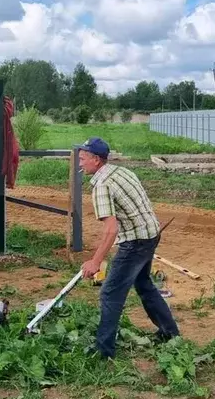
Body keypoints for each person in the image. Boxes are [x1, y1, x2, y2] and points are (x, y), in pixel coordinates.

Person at [77, 137, 180, 358]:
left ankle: (104, 352)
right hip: (151, 234)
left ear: (96, 160)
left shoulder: (101, 185)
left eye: (83, 159)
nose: (80, 164)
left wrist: (95, 262)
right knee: (144, 285)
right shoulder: (122, 172)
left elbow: (111, 229)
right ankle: (170, 334)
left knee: (109, 293)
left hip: (136, 243)